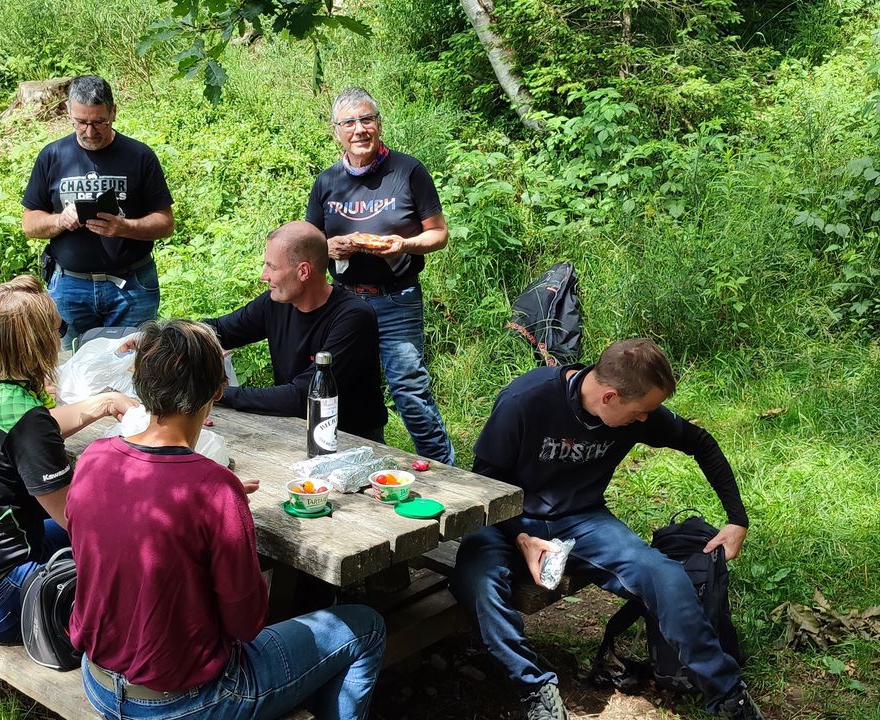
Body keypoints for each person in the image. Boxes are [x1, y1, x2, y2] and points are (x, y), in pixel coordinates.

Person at [68, 319, 387, 719]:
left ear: (141, 384)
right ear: (219, 389)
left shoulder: (95, 458)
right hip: (188, 702)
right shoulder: (214, 488)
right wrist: (224, 507)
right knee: (366, 627)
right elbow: (247, 624)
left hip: (98, 679)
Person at [450, 339, 763, 720]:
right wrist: (521, 537)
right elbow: (486, 484)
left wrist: (737, 518)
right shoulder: (526, 400)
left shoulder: (633, 414)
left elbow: (701, 443)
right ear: (610, 397)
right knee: (477, 582)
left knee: (662, 574)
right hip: (504, 520)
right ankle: (535, 689)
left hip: (581, 519)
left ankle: (729, 695)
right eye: (641, 410)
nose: (647, 419)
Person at [0, 276, 136, 644]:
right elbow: (77, 520)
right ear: (37, 343)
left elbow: (17, 436)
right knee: (134, 565)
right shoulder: (26, 421)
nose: (60, 336)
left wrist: (103, 403)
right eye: (58, 328)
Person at [305, 87, 455, 464]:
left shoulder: (408, 171)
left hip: (396, 298)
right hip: (346, 302)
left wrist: (402, 245)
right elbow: (309, 243)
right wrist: (329, 247)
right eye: (349, 122)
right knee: (348, 387)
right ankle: (359, 464)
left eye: (367, 119)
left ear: (379, 124)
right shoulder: (326, 182)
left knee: (409, 389)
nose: (360, 129)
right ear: (336, 130)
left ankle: (444, 472)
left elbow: (438, 234)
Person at [21, 74, 175, 347]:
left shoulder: (139, 156)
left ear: (114, 112)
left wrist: (125, 227)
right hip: (70, 287)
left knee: (133, 366)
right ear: (69, 113)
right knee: (70, 368)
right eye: (81, 122)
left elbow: (165, 223)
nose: (90, 132)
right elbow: (30, 223)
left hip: (132, 286)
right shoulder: (52, 156)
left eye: (99, 122)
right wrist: (60, 220)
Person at [205, 221, 386, 443]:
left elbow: (304, 395)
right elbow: (218, 330)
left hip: (351, 441)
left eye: (272, 267)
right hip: (294, 428)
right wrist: (169, 338)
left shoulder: (354, 317)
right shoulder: (276, 303)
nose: (264, 276)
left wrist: (217, 393)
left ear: (303, 271)